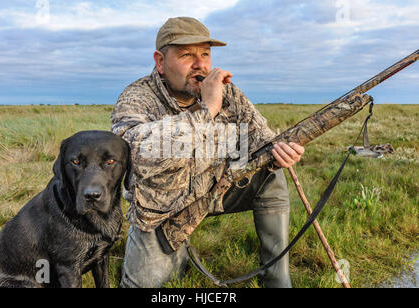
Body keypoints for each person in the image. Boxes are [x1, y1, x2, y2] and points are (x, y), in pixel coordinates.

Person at [111, 17, 304, 288]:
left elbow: (261, 136)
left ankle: (276, 280)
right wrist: (208, 109)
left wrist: (281, 150)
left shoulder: (228, 92)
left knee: (269, 175)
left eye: (205, 54)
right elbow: (135, 155)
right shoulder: (137, 98)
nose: (200, 64)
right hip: (161, 211)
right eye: (187, 55)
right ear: (160, 62)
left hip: (214, 189)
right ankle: (177, 251)